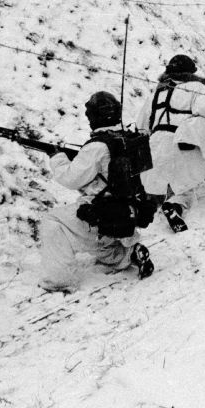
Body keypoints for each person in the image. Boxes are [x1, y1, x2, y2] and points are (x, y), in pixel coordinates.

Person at [39, 92, 155, 293]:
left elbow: (70, 178)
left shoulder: (97, 146)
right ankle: (128, 254)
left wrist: (57, 157)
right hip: (132, 211)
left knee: (53, 221)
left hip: (102, 215)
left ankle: (60, 281)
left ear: (92, 117)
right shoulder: (132, 139)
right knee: (100, 244)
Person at [136, 54, 205, 232]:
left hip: (154, 151)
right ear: (192, 72)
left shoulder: (156, 94)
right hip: (182, 146)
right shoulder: (196, 88)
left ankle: (169, 205)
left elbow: (141, 126)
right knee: (185, 180)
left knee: (175, 183)